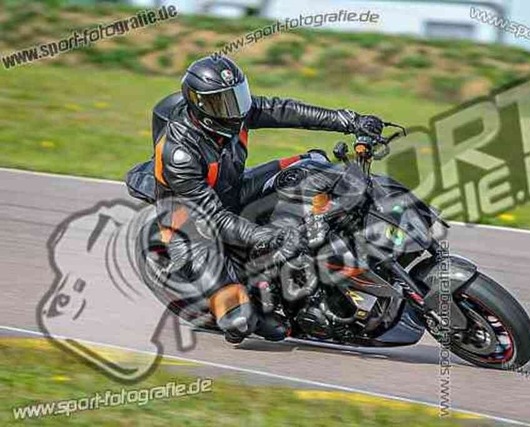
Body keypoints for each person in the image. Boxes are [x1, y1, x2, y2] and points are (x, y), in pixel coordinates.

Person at [150, 54, 384, 344]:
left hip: (231, 190)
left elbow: (285, 110)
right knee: (242, 323)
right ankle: (246, 302)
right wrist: (270, 237)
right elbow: (214, 219)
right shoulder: (179, 154)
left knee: (312, 164)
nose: (236, 109)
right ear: (201, 106)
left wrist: (348, 121)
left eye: (237, 96)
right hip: (194, 231)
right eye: (224, 102)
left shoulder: (234, 114)